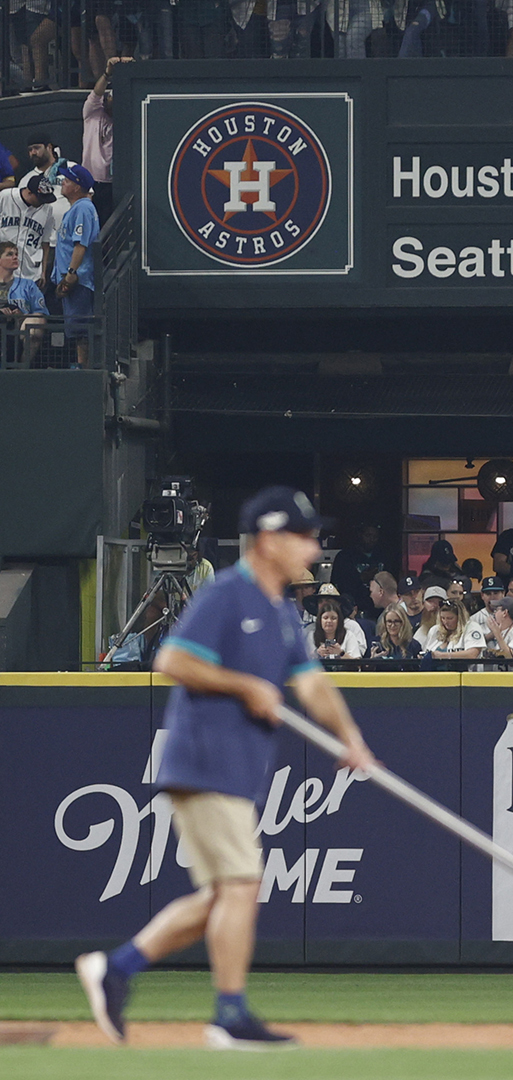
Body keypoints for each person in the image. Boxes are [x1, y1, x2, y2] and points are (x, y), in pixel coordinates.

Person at [75, 487, 375, 1050]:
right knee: (241, 885)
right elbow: (171, 660)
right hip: (203, 761)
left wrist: (350, 738)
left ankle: (116, 969)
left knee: (221, 895)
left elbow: (311, 683)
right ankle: (228, 1015)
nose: (313, 549)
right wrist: (245, 685)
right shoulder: (227, 594)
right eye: (303, 536)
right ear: (268, 539)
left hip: (236, 769)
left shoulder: (284, 610)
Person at [52, 163, 97, 369]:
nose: (63, 182)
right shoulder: (76, 208)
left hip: (78, 279)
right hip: (70, 278)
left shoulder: (83, 208)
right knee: (75, 328)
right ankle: (80, 365)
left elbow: (81, 245)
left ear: (77, 187)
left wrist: (71, 272)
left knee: (81, 329)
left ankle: (83, 368)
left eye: (67, 180)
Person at [0, 174, 56, 299]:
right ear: (30, 192)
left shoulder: (47, 210)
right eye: (41, 198)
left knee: (28, 313)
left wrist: (43, 271)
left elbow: (45, 243)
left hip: (30, 272)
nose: (43, 201)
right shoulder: (6, 196)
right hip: (4, 271)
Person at [0, 240, 48, 367]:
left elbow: (41, 313)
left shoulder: (28, 285)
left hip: (18, 331)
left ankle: (21, 368)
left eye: (16, 254)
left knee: (36, 321)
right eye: (10, 254)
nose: (15, 257)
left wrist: (23, 316)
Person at [82, 58, 118, 219]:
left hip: (113, 183)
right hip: (90, 179)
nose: (111, 102)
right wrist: (107, 73)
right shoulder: (93, 112)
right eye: (109, 98)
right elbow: (97, 93)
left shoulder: (126, 120)